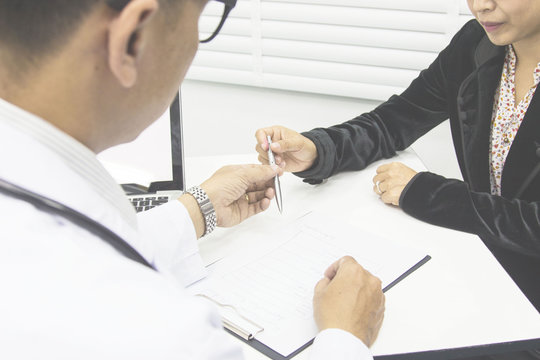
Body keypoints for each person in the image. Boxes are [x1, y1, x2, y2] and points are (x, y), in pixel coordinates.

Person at [0, 0, 386, 359]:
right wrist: (345, 337)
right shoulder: (147, 329)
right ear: (132, 39)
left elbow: (89, 240)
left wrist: (197, 210)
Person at [256, 0, 540, 321]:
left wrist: (425, 193)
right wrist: (319, 149)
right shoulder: (477, 42)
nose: (480, 6)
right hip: (480, 273)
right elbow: (395, 121)